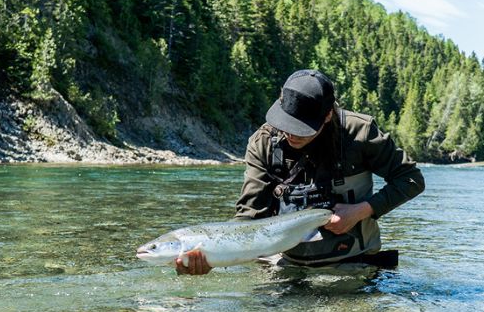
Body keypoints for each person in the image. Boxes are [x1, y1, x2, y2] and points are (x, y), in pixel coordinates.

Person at [176, 69, 426, 275]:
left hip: (352, 262)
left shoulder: (360, 133)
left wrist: (361, 211)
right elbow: (249, 217)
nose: (290, 134)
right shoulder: (263, 142)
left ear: (328, 115)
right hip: (286, 264)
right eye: (286, 123)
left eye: (302, 128)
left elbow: (411, 179)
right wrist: (212, 255)